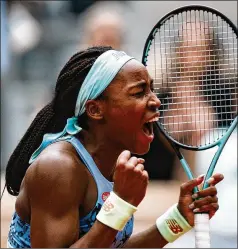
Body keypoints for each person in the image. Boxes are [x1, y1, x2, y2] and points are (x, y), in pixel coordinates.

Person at [5, 46, 223, 248]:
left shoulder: (112, 164)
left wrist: (179, 219)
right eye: (139, 93)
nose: (156, 101)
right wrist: (119, 204)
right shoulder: (57, 168)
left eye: (152, 89)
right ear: (95, 109)